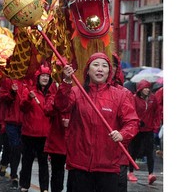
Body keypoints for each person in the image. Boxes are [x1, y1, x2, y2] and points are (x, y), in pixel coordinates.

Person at [55, 52, 139, 192]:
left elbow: (132, 122)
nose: (100, 69)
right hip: (79, 166)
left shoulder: (120, 95)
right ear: (88, 70)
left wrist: (122, 134)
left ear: (109, 72)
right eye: (95, 65)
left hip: (108, 167)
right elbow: (61, 105)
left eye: (104, 66)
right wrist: (67, 81)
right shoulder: (76, 92)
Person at [19, 64, 56, 192]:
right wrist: (29, 99)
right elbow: (23, 107)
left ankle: (44, 188)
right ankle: (24, 185)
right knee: (27, 161)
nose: (45, 78)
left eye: (47, 76)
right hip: (29, 133)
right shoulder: (29, 91)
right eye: (43, 76)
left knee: (43, 163)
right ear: (38, 77)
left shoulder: (51, 94)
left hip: (45, 134)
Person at [111, 53, 140, 192]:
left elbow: (132, 123)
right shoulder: (84, 91)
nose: (105, 69)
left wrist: (122, 135)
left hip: (117, 155)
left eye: (110, 65)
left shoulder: (124, 93)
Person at [127, 79, 161, 185]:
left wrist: (155, 124)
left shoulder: (153, 98)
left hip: (149, 129)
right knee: (134, 151)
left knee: (150, 152)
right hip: (137, 129)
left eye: (148, 88)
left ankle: (151, 174)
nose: (147, 90)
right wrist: (137, 121)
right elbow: (131, 111)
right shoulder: (134, 99)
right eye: (145, 88)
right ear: (140, 89)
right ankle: (130, 172)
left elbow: (157, 112)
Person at [0, 77, 26, 189]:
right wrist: (12, 93)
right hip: (11, 122)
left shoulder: (30, 80)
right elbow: (2, 98)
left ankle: (8, 168)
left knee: (15, 148)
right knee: (14, 147)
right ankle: (13, 174)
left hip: (24, 123)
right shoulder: (8, 80)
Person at [43, 92, 70, 192]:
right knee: (57, 172)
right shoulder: (54, 94)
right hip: (57, 139)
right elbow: (47, 110)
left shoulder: (80, 94)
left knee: (74, 174)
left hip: (74, 141)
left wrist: (71, 122)